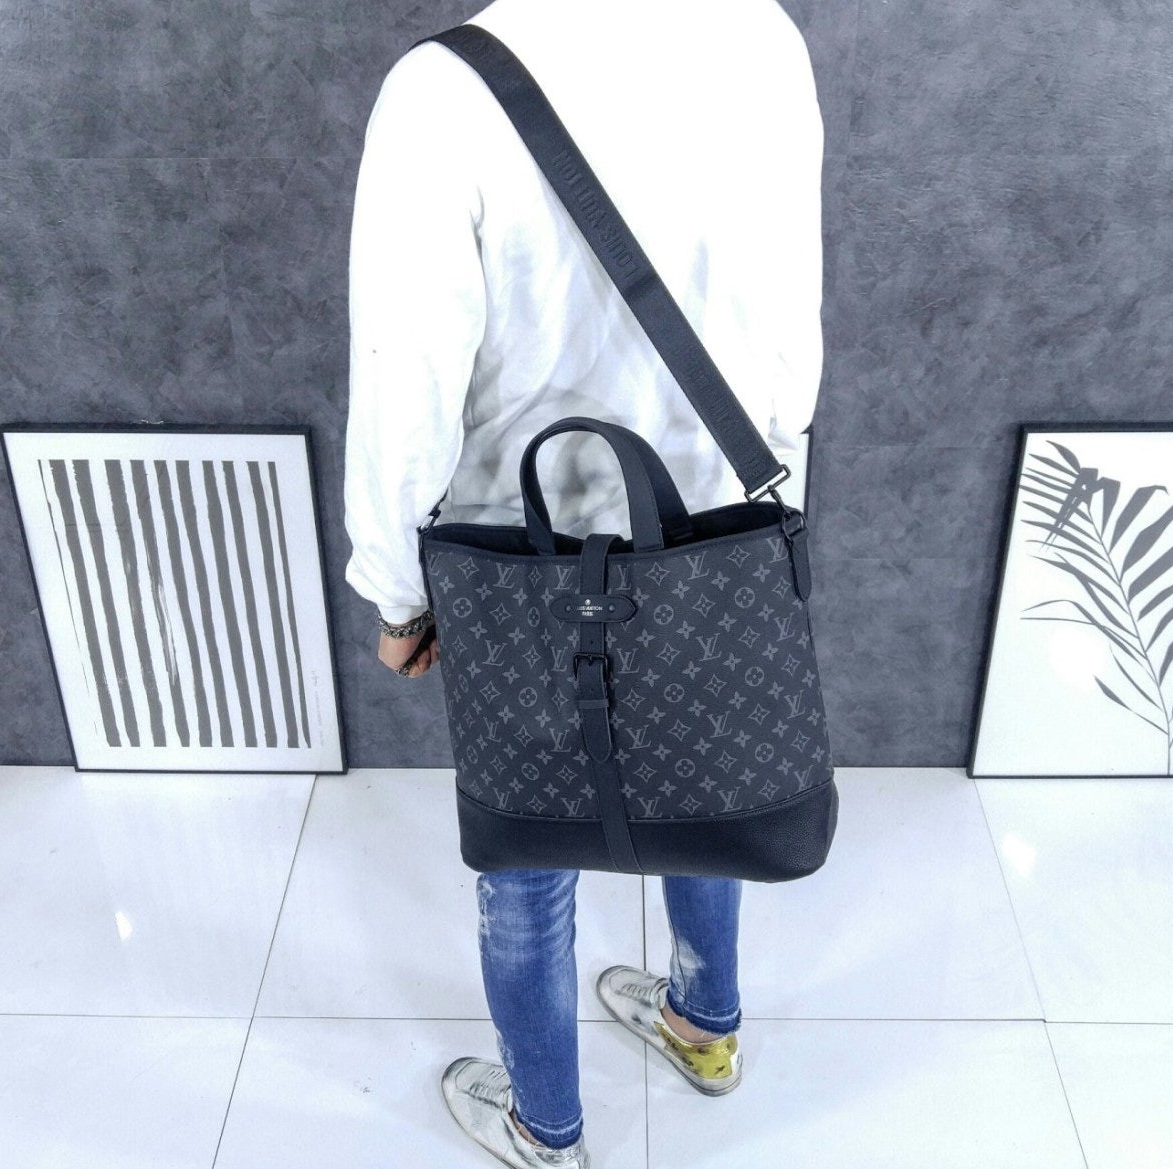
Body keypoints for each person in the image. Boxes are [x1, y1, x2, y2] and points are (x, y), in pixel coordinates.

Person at [343, 0, 824, 1164]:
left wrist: (396, 583)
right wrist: (773, 487)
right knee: (705, 769)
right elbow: (793, 312)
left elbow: (406, 372)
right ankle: (703, 1025)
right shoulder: (760, 34)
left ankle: (546, 1125)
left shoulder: (440, 90)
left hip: (516, 539)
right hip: (717, 510)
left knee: (528, 838)